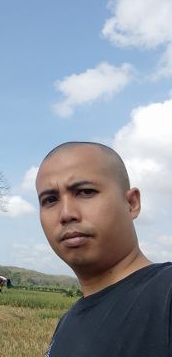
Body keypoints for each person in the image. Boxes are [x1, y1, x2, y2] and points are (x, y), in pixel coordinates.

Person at [35, 141, 172, 357]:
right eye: (50, 200)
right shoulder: (67, 322)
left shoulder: (166, 293)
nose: (66, 213)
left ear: (132, 203)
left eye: (85, 192)